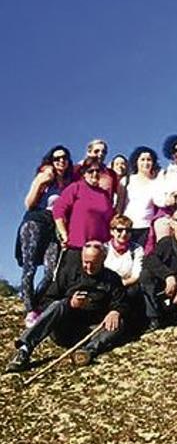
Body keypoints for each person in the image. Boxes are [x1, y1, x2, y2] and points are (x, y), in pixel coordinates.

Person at [5, 243, 126, 372]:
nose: (89, 267)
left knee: (117, 323)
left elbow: (122, 302)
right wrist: (70, 303)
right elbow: (46, 301)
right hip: (64, 329)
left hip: (91, 332)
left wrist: (116, 311)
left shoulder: (112, 279)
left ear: (103, 259)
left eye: (94, 263)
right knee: (59, 305)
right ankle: (25, 349)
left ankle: (86, 352)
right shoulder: (68, 273)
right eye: (86, 262)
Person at [17, 145, 74, 327]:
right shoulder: (45, 177)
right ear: (51, 161)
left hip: (55, 226)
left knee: (51, 271)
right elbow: (29, 203)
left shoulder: (69, 183)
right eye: (56, 158)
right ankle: (30, 309)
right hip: (36, 221)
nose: (61, 161)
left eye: (64, 157)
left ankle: (36, 301)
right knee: (30, 267)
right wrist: (41, 182)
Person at [53, 156, 115, 252]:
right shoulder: (76, 187)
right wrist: (63, 233)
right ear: (84, 173)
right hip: (76, 245)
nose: (95, 174)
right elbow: (58, 209)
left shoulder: (104, 194)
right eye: (91, 171)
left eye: (98, 171)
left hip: (98, 248)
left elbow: (110, 220)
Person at [102, 215, 145, 331]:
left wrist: (120, 284)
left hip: (126, 285)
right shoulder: (104, 249)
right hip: (106, 286)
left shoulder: (136, 250)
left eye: (128, 230)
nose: (124, 233)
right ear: (112, 231)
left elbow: (136, 275)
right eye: (119, 230)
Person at [74, 138, 125, 212]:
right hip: (81, 213)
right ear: (89, 152)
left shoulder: (111, 174)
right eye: (96, 151)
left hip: (104, 215)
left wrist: (117, 212)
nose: (100, 154)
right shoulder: (77, 170)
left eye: (103, 152)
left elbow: (120, 194)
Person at [123, 146, 160, 247]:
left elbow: (160, 201)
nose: (146, 163)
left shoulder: (156, 182)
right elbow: (119, 204)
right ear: (136, 162)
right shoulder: (127, 180)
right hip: (127, 227)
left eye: (149, 160)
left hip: (146, 228)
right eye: (142, 159)